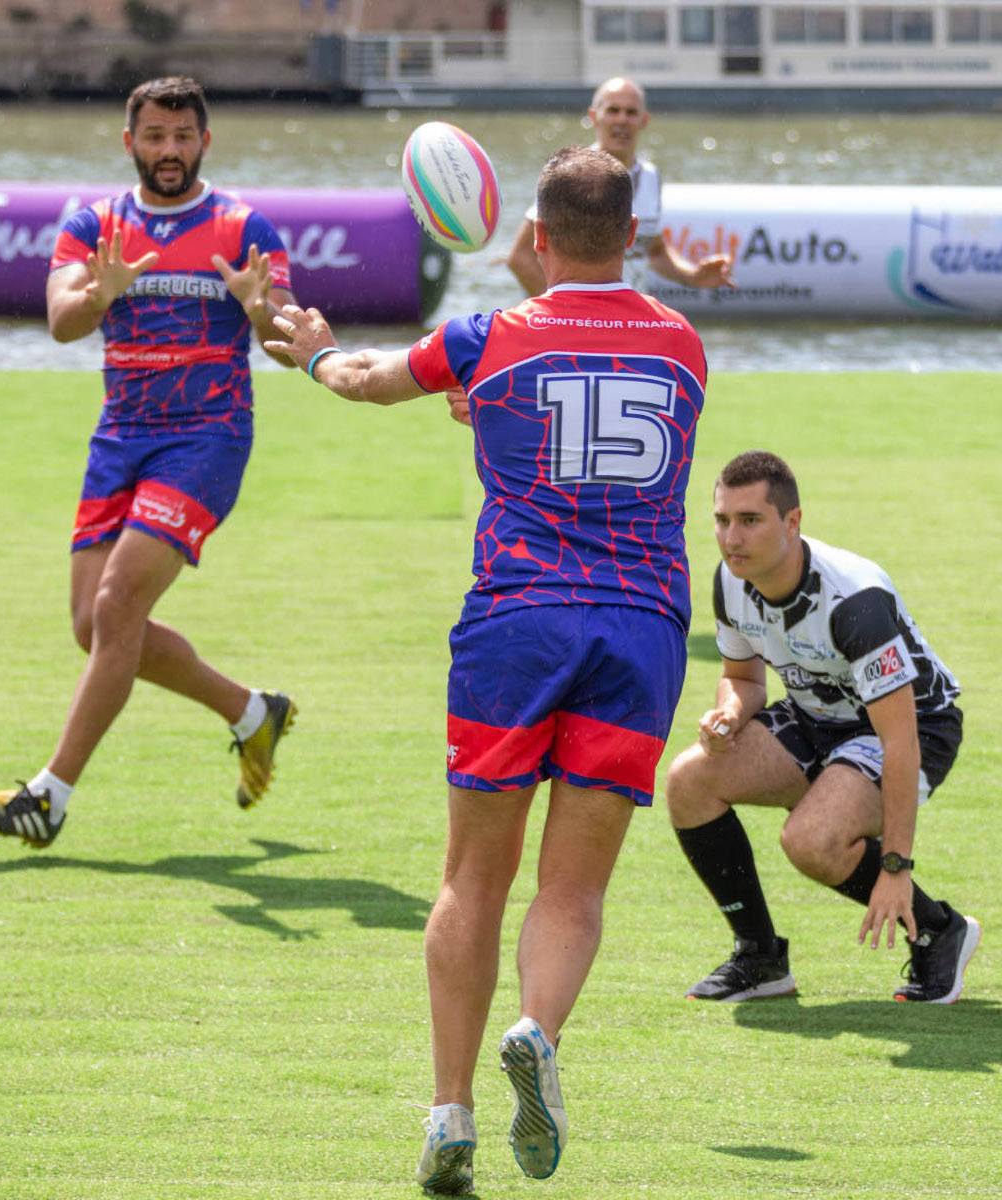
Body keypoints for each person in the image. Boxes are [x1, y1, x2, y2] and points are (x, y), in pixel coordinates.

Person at [262, 146, 708, 1195]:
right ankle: (538, 1031)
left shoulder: (488, 340)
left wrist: (317, 354)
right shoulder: (685, 345)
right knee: (574, 886)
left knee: (473, 877)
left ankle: (449, 1113)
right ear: (633, 234)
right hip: (640, 630)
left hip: (515, 626)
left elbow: (373, 383)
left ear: (539, 237)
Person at [0, 76, 299, 850]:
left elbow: (289, 343)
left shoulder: (245, 227)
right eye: (155, 137)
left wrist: (259, 310)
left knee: (117, 609)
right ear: (130, 142)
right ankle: (253, 712)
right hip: (120, 441)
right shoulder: (94, 226)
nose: (170, 151)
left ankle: (48, 796)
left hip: (207, 440)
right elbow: (59, 323)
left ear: (205, 141)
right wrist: (100, 295)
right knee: (94, 626)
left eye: (183, 137)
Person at [665, 451, 980, 1006]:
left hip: (917, 729)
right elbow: (744, 679)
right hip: (818, 717)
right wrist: (728, 716)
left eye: (750, 520)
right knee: (689, 780)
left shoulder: (855, 600)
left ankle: (938, 930)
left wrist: (896, 866)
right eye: (722, 520)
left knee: (811, 841)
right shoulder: (731, 579)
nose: (731, 537)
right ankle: (760, 958)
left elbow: (899, 741)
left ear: (792, 522)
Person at [503, 76, 733, 297]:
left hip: (625, 325)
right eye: (613, 110)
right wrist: (572, 314)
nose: (622, 120)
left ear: (644, 121)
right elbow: (520, 258)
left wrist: (693, 276)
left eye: (631, 112)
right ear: (594, 117)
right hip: (574, 327)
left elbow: (653, 250)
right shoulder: (570, 173)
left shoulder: (651, 176)